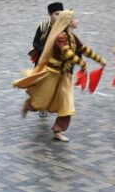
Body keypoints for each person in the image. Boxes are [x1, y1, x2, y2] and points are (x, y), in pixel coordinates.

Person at [14, 9, 106, 142]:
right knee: (43, 99)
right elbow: (66, 52)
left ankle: (58, 130)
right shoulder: (61, 37)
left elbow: (84, 49)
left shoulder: (73, 37)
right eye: (75, 18)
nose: (77, 21)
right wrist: (81, 62)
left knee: (66, 103)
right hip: (52, 73)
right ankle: (29, 105)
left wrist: (99, 60)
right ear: (69, 21)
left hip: (65, 76)